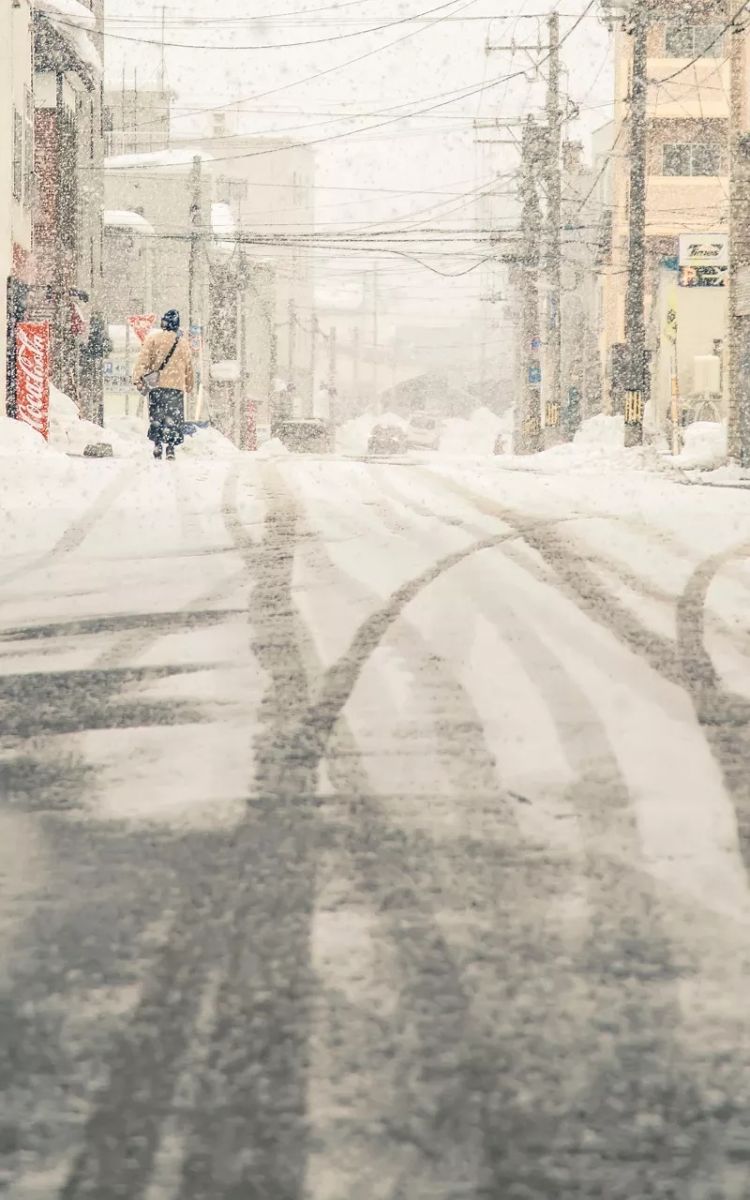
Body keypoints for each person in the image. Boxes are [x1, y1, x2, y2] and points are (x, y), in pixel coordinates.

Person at [132, 309, 195, 460]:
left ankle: (157, 444)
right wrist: (189, 385)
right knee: (172, 418)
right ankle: (171, 447)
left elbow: (143, 360)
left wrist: (137, 378)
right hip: (176, 387)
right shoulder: (183, 343)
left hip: (157, 386)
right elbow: (189, 367)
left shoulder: (153, 339)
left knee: (157, 416)